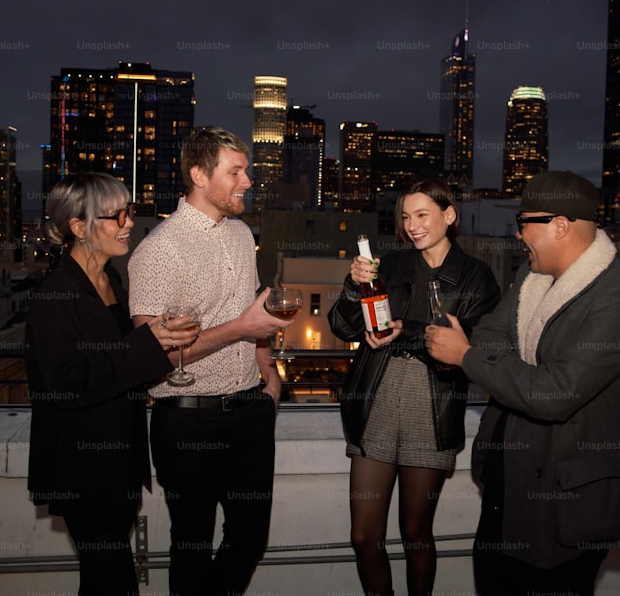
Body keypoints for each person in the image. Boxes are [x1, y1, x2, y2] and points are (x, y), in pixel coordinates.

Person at [425, 170, 620, 595]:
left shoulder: (619, 299)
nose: (517, 234)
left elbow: (553, 394)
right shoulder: (531, 280)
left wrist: (468, 357)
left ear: (559, 226)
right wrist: (520, 371)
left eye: (524, 221)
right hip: (505, 490)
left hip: (563, 506)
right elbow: (492, 333)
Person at [128, 127, 290, 596]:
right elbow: (151, 358)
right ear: (199, 174)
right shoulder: (159, 250)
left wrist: (269, 374)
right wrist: (240, 329)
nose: (248, 181)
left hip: (250, 413)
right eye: (235, 171)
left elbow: (256, 314)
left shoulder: (241, 234)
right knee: (192, 545)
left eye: (246, 170)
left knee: (249, 539)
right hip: (187, 421)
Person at [26, 172, 200, 596]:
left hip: (118, 464)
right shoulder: (55, 295)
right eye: (116, 216)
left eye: (130, 212)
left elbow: (121, 363)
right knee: (116, 583)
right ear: (79, 228)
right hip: (83, 471)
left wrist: (154, 345)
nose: (127, 223)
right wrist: (146, 344)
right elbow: (67, 384)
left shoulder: (111, 282)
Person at [328, 179, 501, 596]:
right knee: (363, 536)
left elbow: (479, 348)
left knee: (415, 532)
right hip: (378, 396)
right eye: (406, 217)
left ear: (450, 215)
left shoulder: (477, 277)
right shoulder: (391, 264)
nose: (413, 226)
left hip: (433, 403)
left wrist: (405, 331)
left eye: (422, 215)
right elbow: (342, 326)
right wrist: (354, 287)